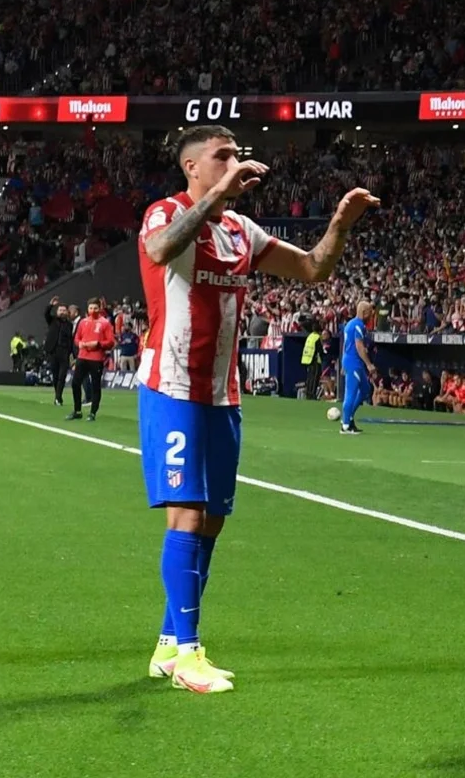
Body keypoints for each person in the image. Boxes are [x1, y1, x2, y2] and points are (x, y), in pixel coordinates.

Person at [139, 125, 378, 694]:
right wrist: (218, 196)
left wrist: (340, 225)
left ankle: (169, 643)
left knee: (212, 521)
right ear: (192, 167)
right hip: (173, 387)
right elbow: (159, 250)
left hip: (223, 394)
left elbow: (313, 268)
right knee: (186, 514)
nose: (234, 163)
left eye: (236, 155)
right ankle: (190, 655)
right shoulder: (165, 213)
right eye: (221, 156)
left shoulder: (241, 231)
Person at [70, 298, 116, 422]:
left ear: (99, 308)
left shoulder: (105, 323)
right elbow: (77, 338)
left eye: (95, 308)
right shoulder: (83, 322)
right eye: (91, 308)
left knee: (96, 385)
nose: (93, 310)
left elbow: (111, 342)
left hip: (96, 358)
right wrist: (79, 343)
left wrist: (98, 344)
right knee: (75, 383)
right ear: (88, 308)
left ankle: (93, 413)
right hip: (82, 356)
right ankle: (77, 410)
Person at [340, 301, 375, 434]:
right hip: (354, 362)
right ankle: (345, 425)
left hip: (352, 361)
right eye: (370, 313)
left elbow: (345, 345)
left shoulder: (350, 324)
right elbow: (359, 345)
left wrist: (343, 362)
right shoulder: (358, 325)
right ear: (364, 312)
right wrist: (369, 364)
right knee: (351, 393)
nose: (371, 316)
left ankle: (348, 417)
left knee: (365, 389)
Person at [44, 300, 74, 404]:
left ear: (67, 312)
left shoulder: (69, 325)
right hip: (53, 351)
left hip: (64, 352)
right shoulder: (52, 321)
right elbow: (46, 314)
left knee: (62, 376)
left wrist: (71, 353)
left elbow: (70, 339)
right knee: (55, 375)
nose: (62, 312)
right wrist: (50, 305)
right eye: (60, 310)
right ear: (57, 312)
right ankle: (57, 396)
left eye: (64, 310)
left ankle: (58, 397)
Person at [300, 322, 325, 400]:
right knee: (315, 378)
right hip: (314, 360)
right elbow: (319, 350)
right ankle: (312, 394)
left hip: (307, 359)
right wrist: (323, 357)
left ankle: (308, 393)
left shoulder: (310, 336)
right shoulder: (317, 337)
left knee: (310, 377)